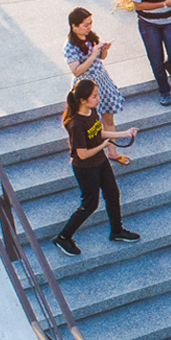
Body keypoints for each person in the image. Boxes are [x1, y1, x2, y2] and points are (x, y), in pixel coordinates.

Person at [51, 78, 140, 258]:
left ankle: (117, 230)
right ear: (82, 100)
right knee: (90, 204)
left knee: (112, 194)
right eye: (94, 96)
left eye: (97, 95)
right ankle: (63, 237)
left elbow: (98, 133)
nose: (98, 99)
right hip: (85, 167)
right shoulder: (76, 124)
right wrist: (104, 146)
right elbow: (82, 154)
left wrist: (124, 134)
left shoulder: (92, 112)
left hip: (100, 162)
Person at [65, 7, 134, 143]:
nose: (89, 27)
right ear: (74, 26)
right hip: (86, 86)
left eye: (90, 23)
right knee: (91, 123)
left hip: (102, 80)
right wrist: (93, 54)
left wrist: (103, 50)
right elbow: (77, 70)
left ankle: (113, 151)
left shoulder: (91, 37)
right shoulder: (70, 46)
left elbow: (101, 58)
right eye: (85, 25)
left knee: (109, 119)